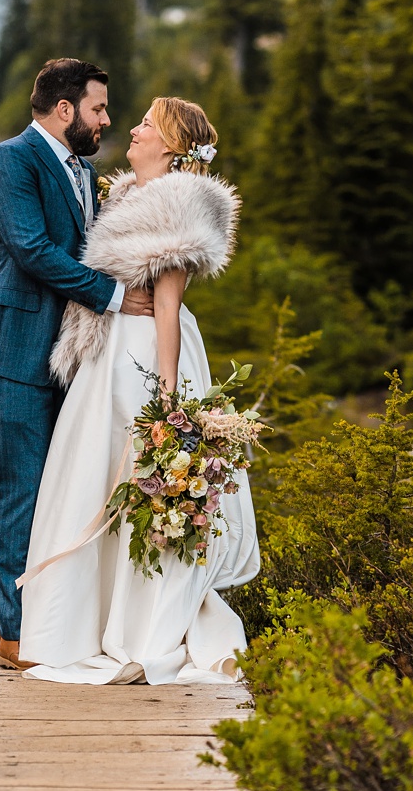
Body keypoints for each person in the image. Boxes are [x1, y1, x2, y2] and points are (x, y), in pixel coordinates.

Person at [18, 96, 259, 685]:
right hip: (108, 356)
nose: (132, 128)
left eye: (146, 124)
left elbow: (168, 309)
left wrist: (169, 399)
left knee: (137, 483)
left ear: (172, 145)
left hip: (145, 357)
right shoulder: (126, 197)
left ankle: (143, 628)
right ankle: (79, 623)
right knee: (93, 478)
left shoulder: (178, 204)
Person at [0, 57, 154, 669]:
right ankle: (22, 638)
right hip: (10, 350)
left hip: (61, 356)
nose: (106, 120)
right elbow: (32, 250)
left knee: (25, 487)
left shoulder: (82, 171)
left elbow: (87, 246)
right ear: (65, 109)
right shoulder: (10, 161)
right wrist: (117, 297)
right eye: (98, 108)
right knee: (26, 487)